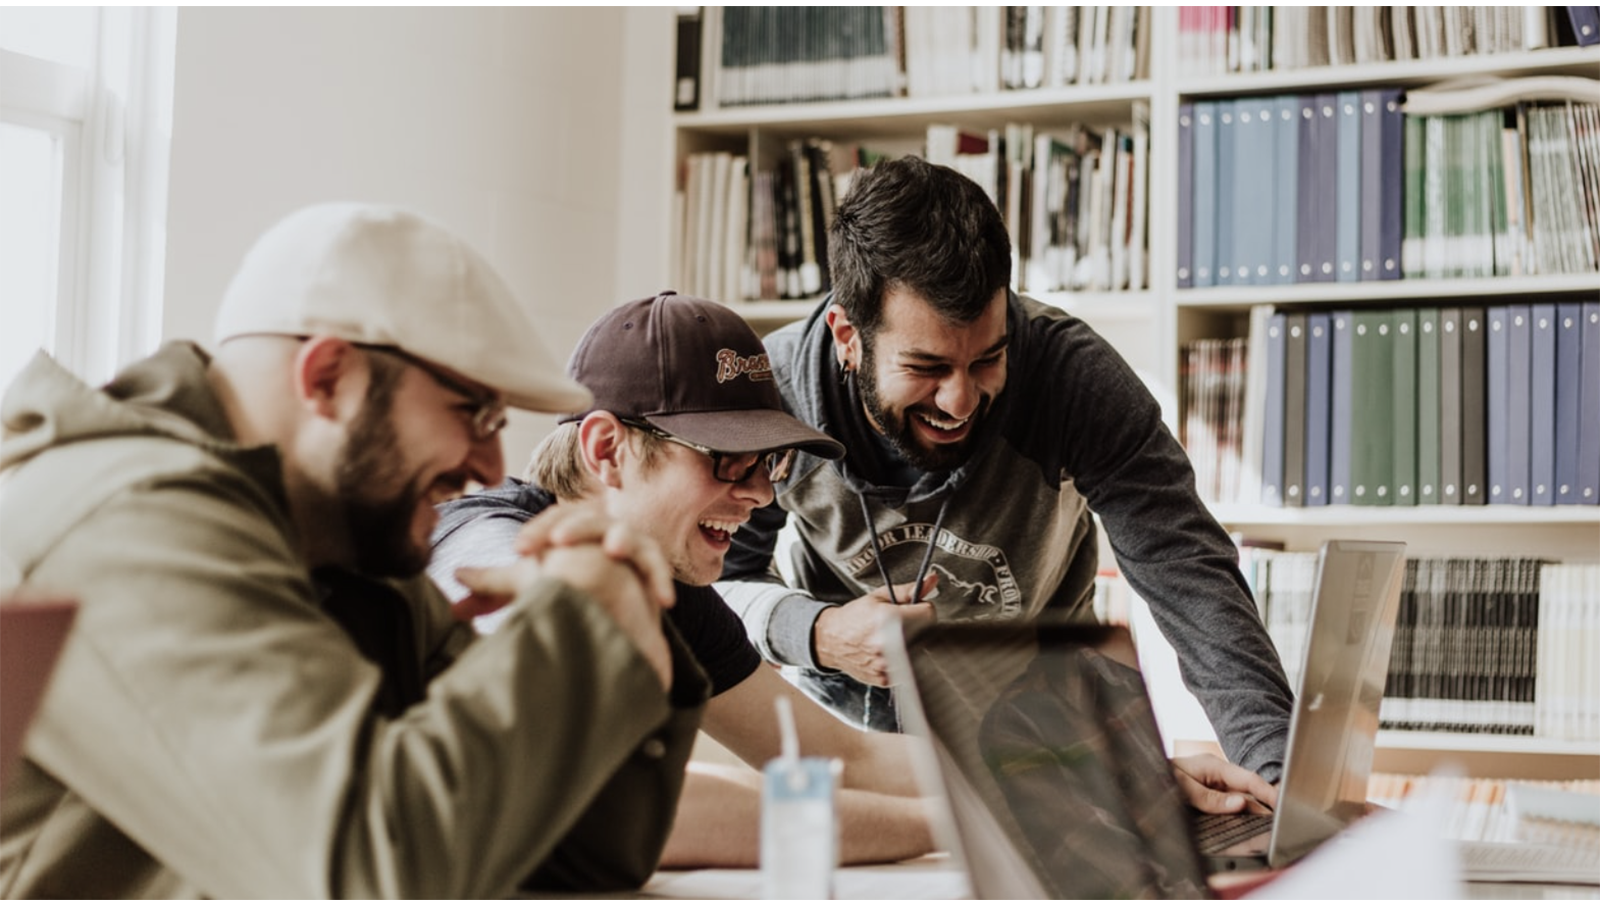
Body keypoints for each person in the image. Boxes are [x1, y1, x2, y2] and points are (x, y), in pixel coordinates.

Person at [0, 203, 706, 899]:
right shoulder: (130, 524)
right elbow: (372, 871)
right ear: (328, 377)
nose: (493, 467)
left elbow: (577, 855)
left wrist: (627, 620)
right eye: (475, 413)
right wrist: (579, 623)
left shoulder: (344, 543)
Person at [717, 155, 1297, 786]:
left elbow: (1192, 579)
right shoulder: (773, 399)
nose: (960, 401)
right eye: (927, 368)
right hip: (850, 745)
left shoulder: (1074, 379)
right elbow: (717, 584)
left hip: (1045, 734)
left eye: (988, 359)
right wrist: (819, 633)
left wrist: (1277, 782)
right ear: (847, 336)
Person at [430, 291, 938, 868]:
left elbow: (840, 758)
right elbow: (618, 803)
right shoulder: (487, 547)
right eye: (728, 458)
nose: (762, 494)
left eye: (768, 463)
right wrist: (951, 824)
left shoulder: (668, 589)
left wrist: (1025, 777)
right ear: (606, 450)